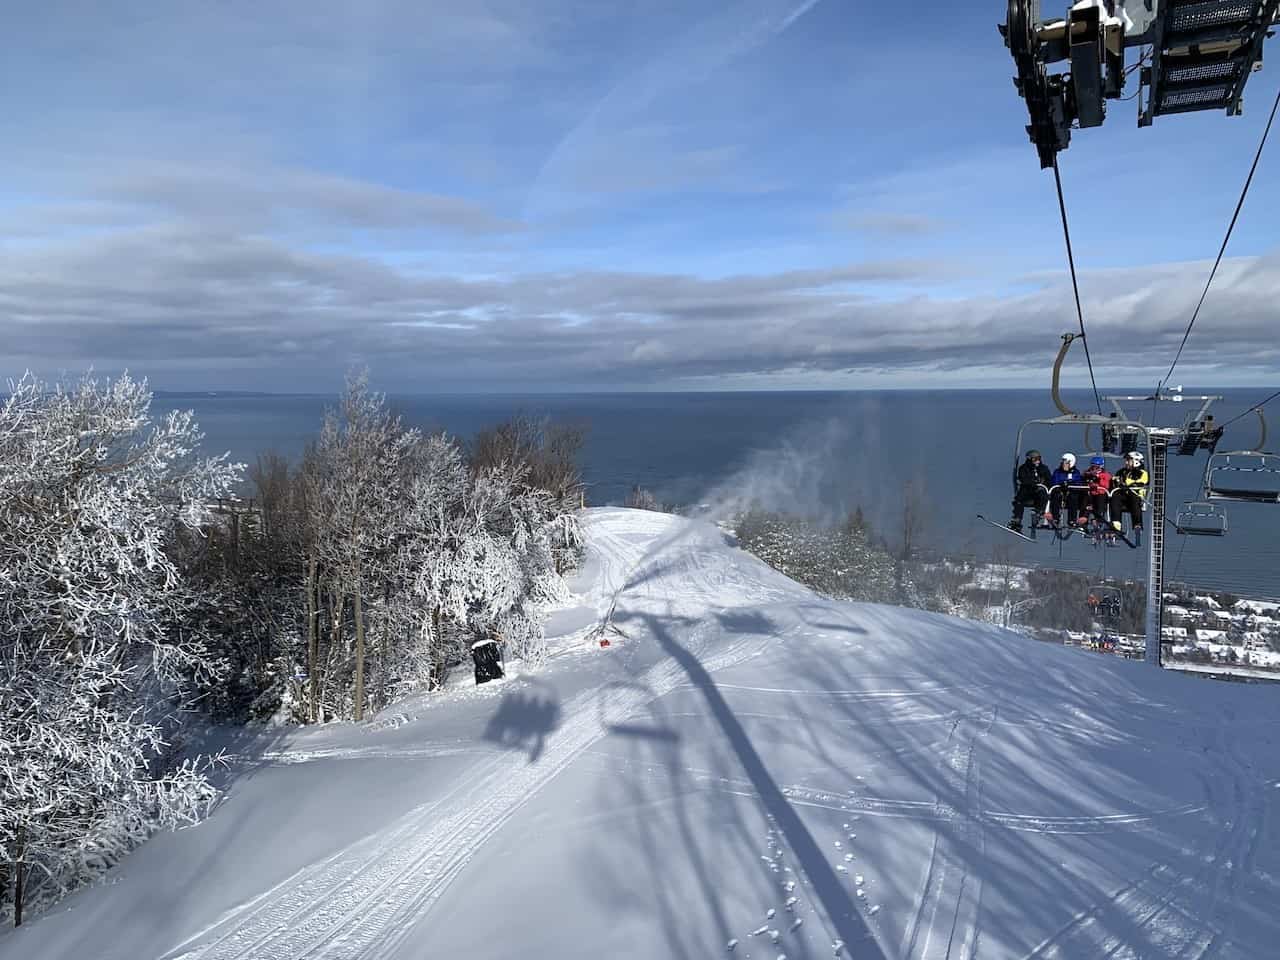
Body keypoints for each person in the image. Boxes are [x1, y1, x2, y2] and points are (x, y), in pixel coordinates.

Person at [1009, 449, 1052, 531]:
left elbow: (1049, 480)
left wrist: (1043, 484)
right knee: (1019, 501)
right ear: (1029, 459)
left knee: (1043, 493)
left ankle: (1038, 512)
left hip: (1039, 493)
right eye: (1034, 459)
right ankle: (1017, 520)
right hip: (1027, 492)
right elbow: (1024, 479)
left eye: (1038, 458)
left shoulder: (1043, 468)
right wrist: (1033, 482)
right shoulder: (1024, 468)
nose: (1037, 461)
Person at [1112, 450, 1149, 537]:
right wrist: (1115, 481)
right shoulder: (1122, 471)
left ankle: (1137, 524)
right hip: (1123, 496)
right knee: (1115, 497)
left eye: (1128, 460)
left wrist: (1127, 483)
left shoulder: (1142, 473)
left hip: (1135, 496)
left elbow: (1142, 481)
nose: (1126, 462)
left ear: (1136, 461)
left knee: (1134, 498)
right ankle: (1116, 524)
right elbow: (1116, 479)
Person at [1049, 453, 1084, 525]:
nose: (1063, 464)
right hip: (1060, 492)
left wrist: (1070, 484)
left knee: (1073, 498)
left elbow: (1079, 482)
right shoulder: (1058, 472)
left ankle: (1072, 520)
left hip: (1071, 493)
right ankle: (1055, 518)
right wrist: (1061, 484)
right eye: (1063, 462)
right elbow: (1054, 481)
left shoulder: (1075, 472)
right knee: (1056, 497)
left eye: (1066, 462)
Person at [1083, 455, 1112, 530]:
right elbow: (1084, 481)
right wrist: (1087, 478)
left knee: (1100, 502)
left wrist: (1098, 480)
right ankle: (1084, 521)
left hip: (1100, 494)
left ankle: (1098, 520)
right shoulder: (1088, 473)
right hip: (1091, 494)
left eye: (1097, 467)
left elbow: (1107, 485)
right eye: (1093, 467)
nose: (1095, 469)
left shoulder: (1105, 475)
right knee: (1086, 502)